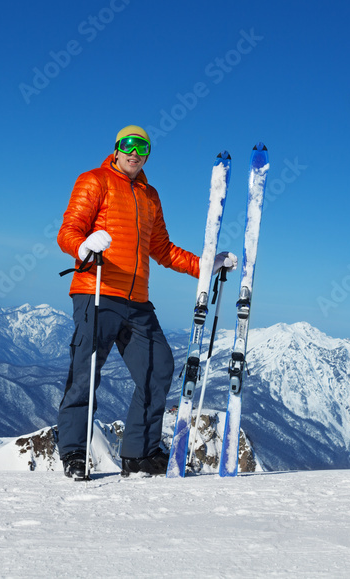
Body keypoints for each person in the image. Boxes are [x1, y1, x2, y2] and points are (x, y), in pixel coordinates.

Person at [56, 125, 236, 479]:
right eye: (128, 145)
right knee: (86, 374)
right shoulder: (94, 181)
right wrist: (84, 246)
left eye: (143, 147)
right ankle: (75, 454)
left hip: (137, 300)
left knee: (159, 368)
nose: (135, 152)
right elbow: (69, 229)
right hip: (98, 290)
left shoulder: (150, 196)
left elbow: (163, 249)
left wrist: (206, 266)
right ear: (117, 148)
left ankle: (139, 453)